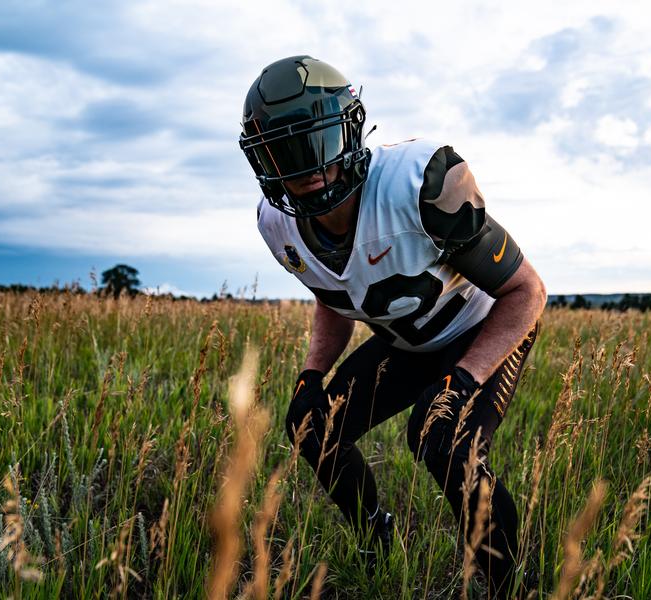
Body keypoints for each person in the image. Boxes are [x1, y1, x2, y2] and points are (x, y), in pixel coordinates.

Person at [239, 55, 546, 597]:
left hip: (480, 329)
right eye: (285, 152)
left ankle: (503, 586)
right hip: (408, 341)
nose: (308, 168)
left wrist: (466, 378)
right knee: (312, 424)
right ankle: (375, 534)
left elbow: (527, 293)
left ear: (350, 131)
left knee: (443, 438)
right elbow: (332, 290)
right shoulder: (277, 223)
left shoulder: (420, 185)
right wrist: (312, 373)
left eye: (319, 143)